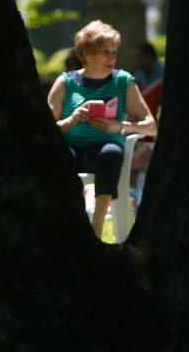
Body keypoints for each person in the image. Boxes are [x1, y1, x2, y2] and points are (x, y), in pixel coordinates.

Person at [47, 20, 157, 238]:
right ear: (87, 53)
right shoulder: (65, 82)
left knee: (111, 153)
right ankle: (68, 225)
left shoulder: (123, 81)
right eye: (105, 52)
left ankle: (95, 230)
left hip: (105, 147)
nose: (112, 58)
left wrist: (120, 126)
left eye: (114, 52)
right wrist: (72, 119)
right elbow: (45, 131)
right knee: (56, 158)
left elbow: (152, 128)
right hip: (72, 147)